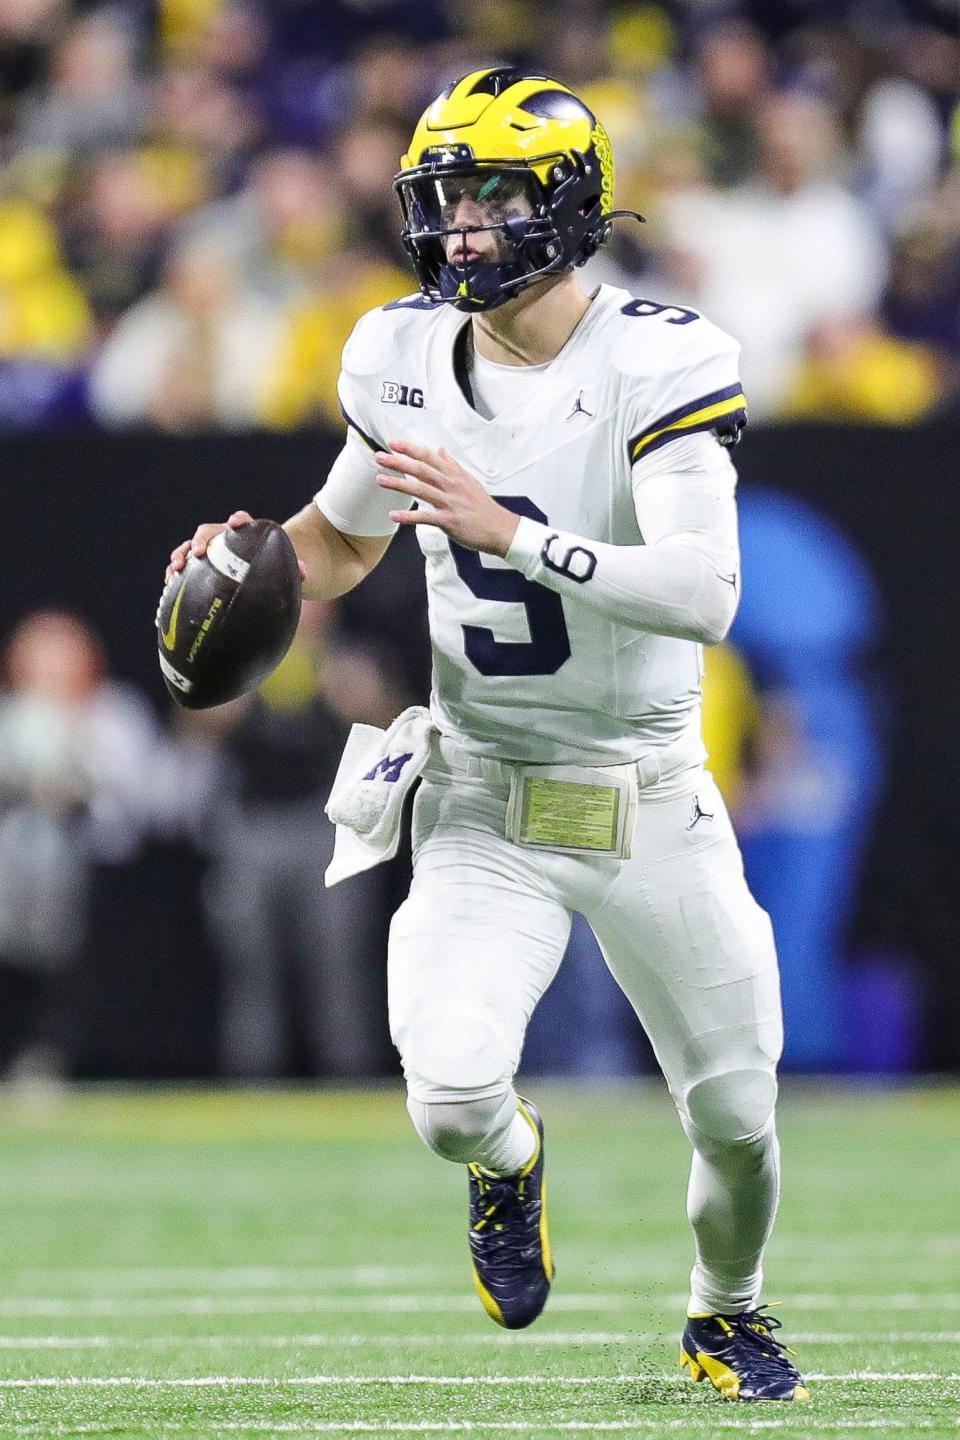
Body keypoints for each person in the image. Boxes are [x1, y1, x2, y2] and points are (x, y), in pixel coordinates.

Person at [167, 68, 807, 1404]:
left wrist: (509, 530)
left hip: (646, 791)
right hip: (482, 787)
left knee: (739, 1119)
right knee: (450, 1093)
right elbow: (340, 540)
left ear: (566, 205)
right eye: (446, 200)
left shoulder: (660, 359)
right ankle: (509, 1174)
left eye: (493, 197)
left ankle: (726, 1314)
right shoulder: (399, 356)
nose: (462, 229)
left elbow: (707, 592)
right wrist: (244, 558)